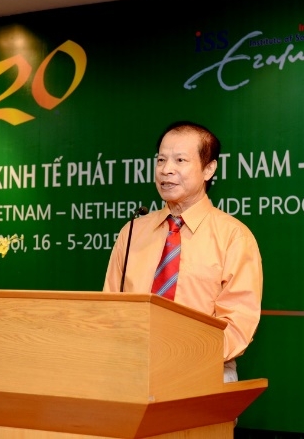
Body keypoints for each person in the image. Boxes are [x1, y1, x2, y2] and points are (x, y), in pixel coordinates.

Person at [103, 121, 263, 383]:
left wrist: (178, 357)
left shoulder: (233, 237)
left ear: (208, 168)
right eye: (161, 160)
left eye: (180, 160)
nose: (166, 170)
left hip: (204, 371)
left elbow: (238, 324)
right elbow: (110, 309)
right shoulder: (132, 232)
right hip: (133, 370)